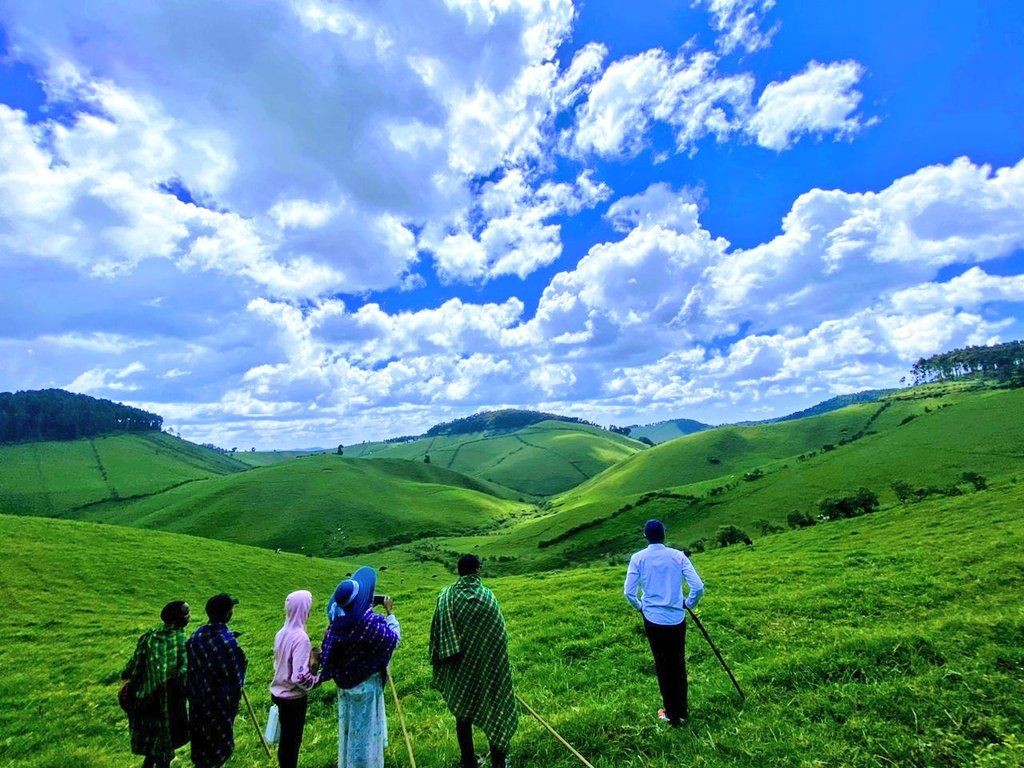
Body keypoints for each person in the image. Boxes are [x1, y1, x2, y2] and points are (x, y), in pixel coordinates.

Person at [430, 555, 517, 768]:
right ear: (477, 570)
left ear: (459, 572)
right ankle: (499, 761)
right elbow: (500, 635)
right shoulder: (487, 596)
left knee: (463, 711)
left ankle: (468, 760)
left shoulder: (446, 596)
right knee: (495, 708)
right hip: (489, 667)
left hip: (460, 668)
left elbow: (437, 636)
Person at [623, 519, 705, 727]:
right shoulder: (678, 556)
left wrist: (640, 606)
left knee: (663, 666)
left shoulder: (637, 558)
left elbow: (628, 592)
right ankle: (682, 711)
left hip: (653, 619)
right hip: (677, 618)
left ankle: (671, 714)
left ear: (645, 537)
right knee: (678, 664)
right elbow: (698, 586)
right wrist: (688, 603)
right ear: (664, 535)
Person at [319, 566, 400, 768]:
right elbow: (393, 640)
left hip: (345, 687)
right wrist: (390, 614)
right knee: (366, 733)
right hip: (367, 687)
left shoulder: (336, 625)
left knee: (349, 729)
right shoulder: (368, 624)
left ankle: (348, 763)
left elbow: (328, 651)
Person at [121, 600, 191, 768]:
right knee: (165, 751)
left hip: (146, 698)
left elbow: (134, 665)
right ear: (177, 619)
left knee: (152, 746)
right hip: (168, 703)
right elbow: (185, 672)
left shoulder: (150, 636)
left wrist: (126, 678)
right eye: (186, 614)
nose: (189, 617)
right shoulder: (182, 640)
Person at [187, 593, 248, 768]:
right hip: (218, 703)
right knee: (217, 747)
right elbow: (236, 680)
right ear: (228, 614)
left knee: (201, 743)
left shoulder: (197, 635)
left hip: (198, 700)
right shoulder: (228, 643)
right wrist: (234, 705)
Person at [271, 590, 318, 768]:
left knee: (285, 741)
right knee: (292, 743)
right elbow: (298, 676)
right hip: (293, 698)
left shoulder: (281, 633)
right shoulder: (301, 638)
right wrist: (315, 680)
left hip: (278, 692)